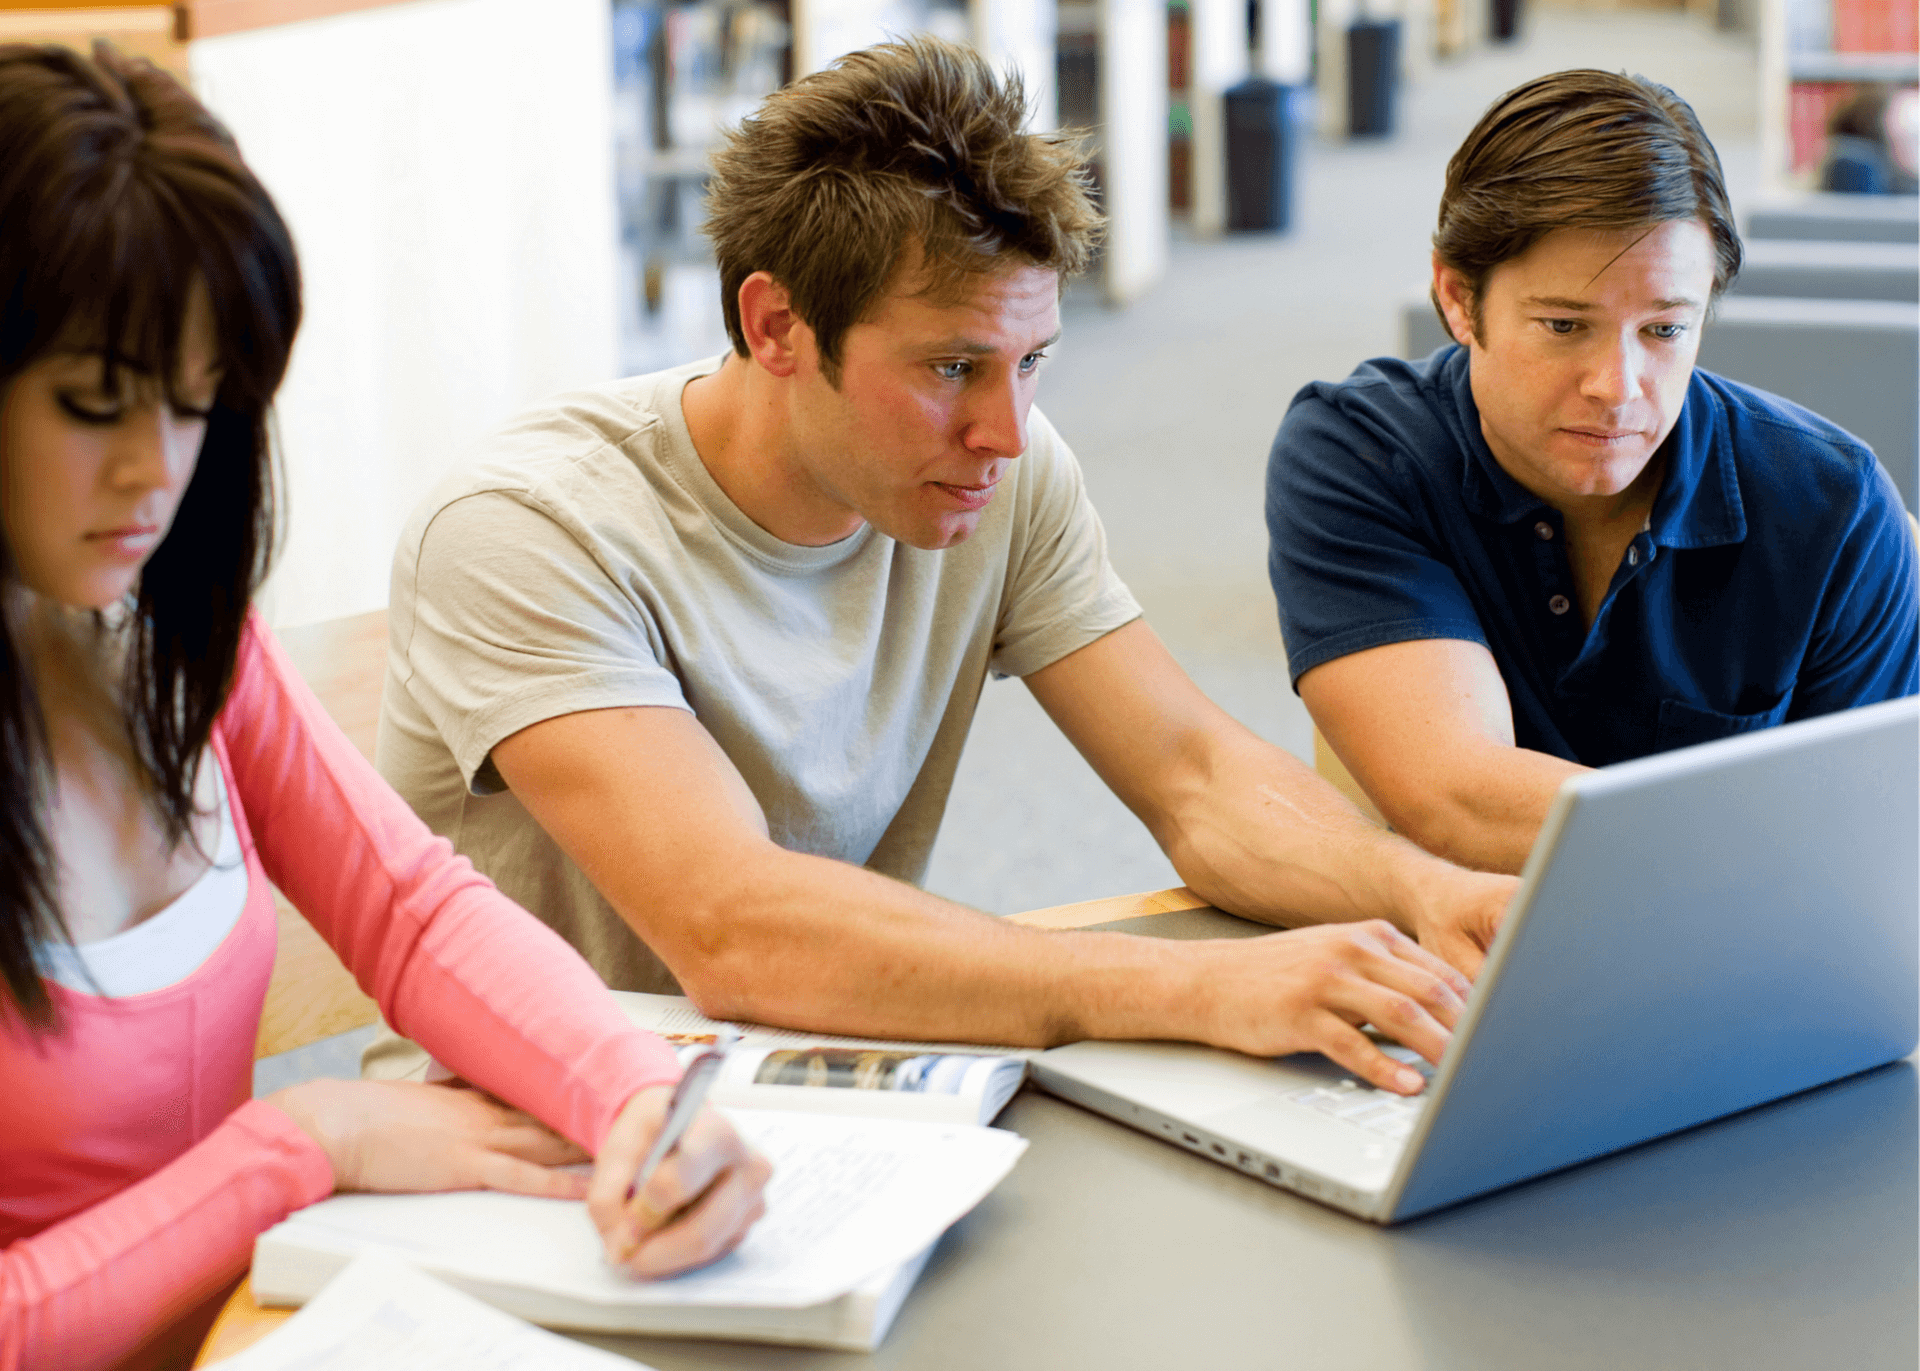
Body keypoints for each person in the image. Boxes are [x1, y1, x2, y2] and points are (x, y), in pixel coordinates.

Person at [369, 35, 1515, 1102]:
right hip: (517, 1126)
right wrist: (1195, 990)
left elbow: (1193, 774)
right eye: (953, 366)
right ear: (775, 327)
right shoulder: (525, 528)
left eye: (1031, 364)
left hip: (825, 1080)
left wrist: (1424, 890)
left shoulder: (1002, 477)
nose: (1004, 433)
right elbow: (733, 927)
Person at [0, 44, 767, 1370]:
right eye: (92, 402)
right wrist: (301, 1146)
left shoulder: (174, 637)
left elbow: (410, 909)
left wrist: (637, 1093)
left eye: (195, 407)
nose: (153, 472)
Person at [1265, 69, 1919, 879]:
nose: (1618, 386)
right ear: (1458, 299)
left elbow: (1871, 846)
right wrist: (1771, 840)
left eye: (1665, 329)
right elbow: (1456, 794)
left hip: (1757, 966)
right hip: (1459, 966)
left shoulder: (1834, 507)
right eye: (1565, 324)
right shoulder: (1364, 452)